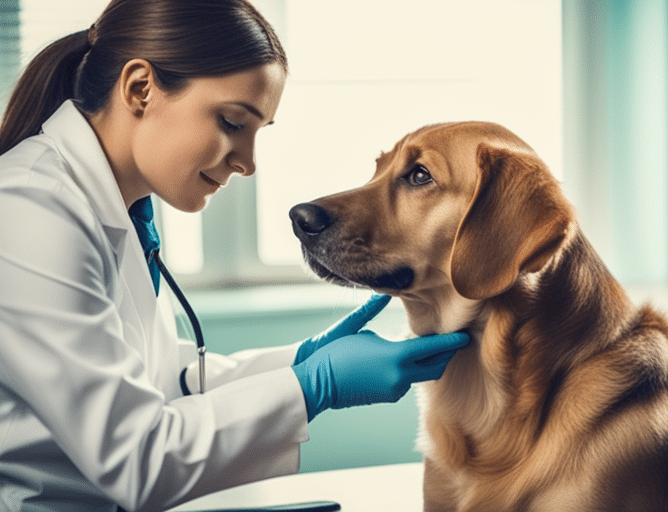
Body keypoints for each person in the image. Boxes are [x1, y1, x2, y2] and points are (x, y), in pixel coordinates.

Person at [0, 1, 470, 511]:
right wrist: (315, 386)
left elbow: (158, 380)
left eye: (256, 132)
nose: (247, 163)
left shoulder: (122, 209)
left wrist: (301, 357)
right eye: (231, 122)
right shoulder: (29, 213)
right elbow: (137, 457)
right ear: (140, 89)